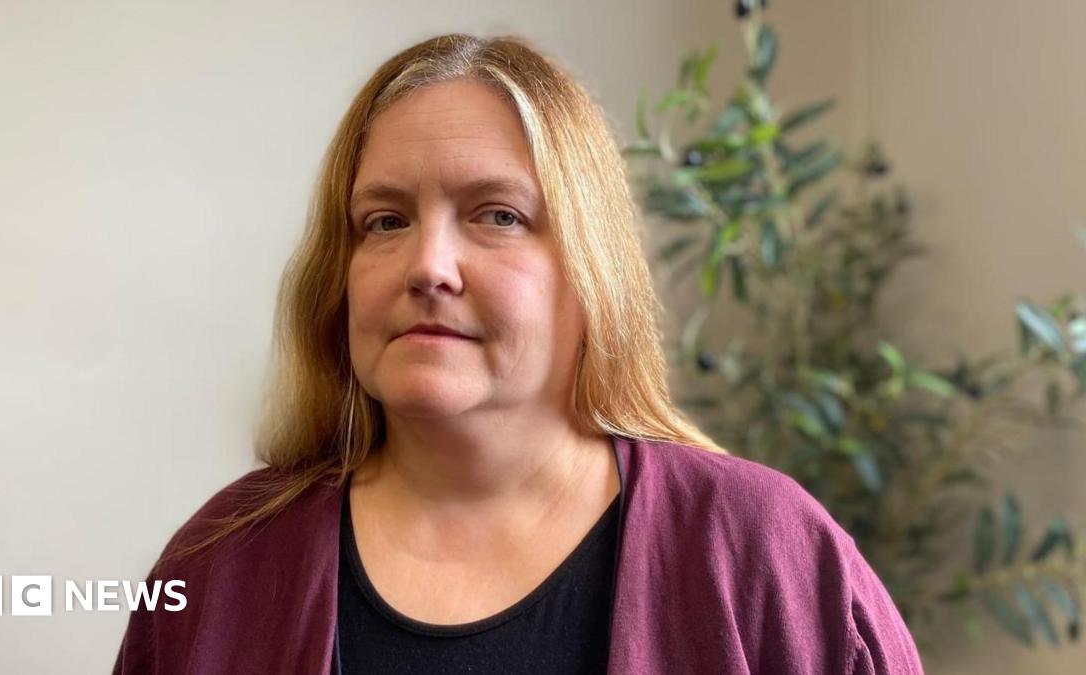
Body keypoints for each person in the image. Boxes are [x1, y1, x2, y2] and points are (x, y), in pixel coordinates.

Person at [112, 33, 924, 674]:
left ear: (588, 271)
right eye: (384, 221)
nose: (428, 265)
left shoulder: (767, 551)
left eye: (497, 215)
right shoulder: (222, 563)